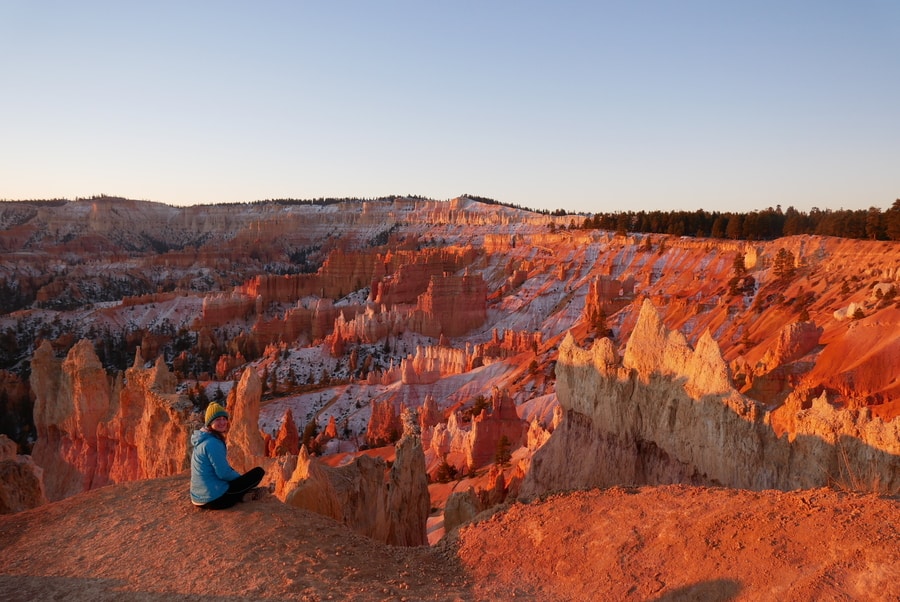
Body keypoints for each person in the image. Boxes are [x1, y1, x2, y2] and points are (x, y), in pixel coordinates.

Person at [190, 402, 265, 509]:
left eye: (224, 418)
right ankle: (244, 494)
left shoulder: (203, 439)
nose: (222, 422)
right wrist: (241, 480)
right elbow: (223, 474)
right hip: (213, 499)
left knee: (234, 479)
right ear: (209, 423)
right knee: (258, 472)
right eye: (217, 419)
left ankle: (243, 495)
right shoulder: (213, 443)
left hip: (197, 498)